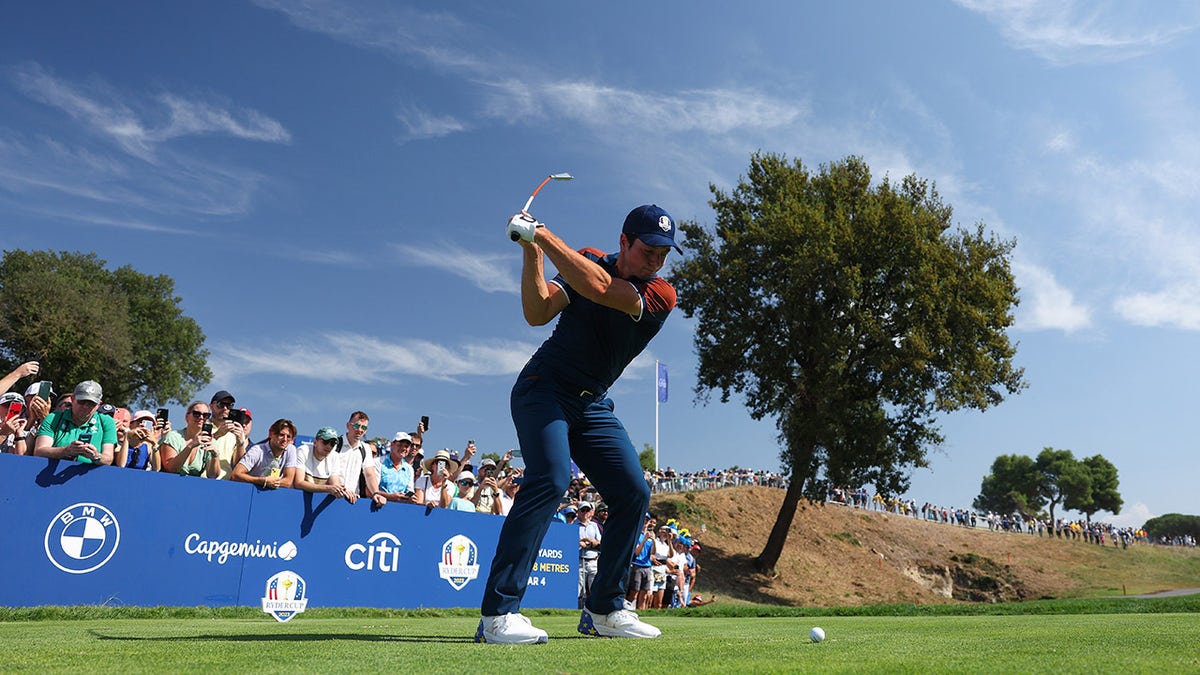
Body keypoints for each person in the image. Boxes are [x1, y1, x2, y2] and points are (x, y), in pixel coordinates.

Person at [476, 204, 679, 644]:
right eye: (648, 250)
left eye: (664, 253)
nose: (656, 260)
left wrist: (543, 235)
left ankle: (605, 609)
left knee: (632, 492)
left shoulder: (661, 293)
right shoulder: (588, 257)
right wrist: (531, 249)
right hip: (543, 388)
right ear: (624, 241)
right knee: (549, 479)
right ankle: (497, 615)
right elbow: (538, 311)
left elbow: (604, 288)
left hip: (592, 405)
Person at [32, 380, 116, 465]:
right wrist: (66, 450)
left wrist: (96, 456)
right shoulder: (54, 418)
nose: (85, 407)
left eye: (91, 403)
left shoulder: (106, 422)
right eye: (81, 401)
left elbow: (108, 459)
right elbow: (39, 451)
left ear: (99, 404)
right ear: (72, 399)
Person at [231, 418, 300, 489]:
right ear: (271, 434)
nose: (285, 440)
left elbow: (288, 482)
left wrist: (272, 482)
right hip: (249, 491)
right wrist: (262, 481)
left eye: (288, 437)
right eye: (281, 435)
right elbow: (236, 474)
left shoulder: (291, 449)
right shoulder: (257, 450)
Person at [294, 426, 357, 503]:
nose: (328, 446)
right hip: (296, 500)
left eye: (332, 443)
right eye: (325, 441)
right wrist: (328, 488)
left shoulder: (334, 456)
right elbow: (298, 483)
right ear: (315, 442)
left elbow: (335, 484)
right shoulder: (303, 450)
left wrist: (343, 491)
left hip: (316, 502)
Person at [334, 411, 385, 506]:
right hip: (331, 497)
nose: (360, 430)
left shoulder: (365, 448)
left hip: (352, 501)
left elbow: (370, 474)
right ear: (348, 425)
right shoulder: (335, 444)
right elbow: (328, 471)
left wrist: (376, 493)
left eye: (364, 427)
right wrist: (341, 489)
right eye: (357, 426)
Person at [158, 401, 220, 477]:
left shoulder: (211, 442)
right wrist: (191, 445)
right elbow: (171, 469)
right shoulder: (173, 436)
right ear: (187, 417)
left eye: (205, 415)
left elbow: (213, 476)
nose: (201, 417)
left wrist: (215, 455)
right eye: (196, 414)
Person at [207, 390, 250, 479]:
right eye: (221, 405)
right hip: (201, 478)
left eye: (229, 405)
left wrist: (240, 443)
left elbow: (238, 463)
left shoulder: (233, 431)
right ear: (211, 406)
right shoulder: (203, 424)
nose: (225, 409)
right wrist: (217, 435)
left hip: (226, 482)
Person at [374, 432, 420, 505]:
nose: (403, 448)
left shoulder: (409, 469)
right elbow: (371, 490)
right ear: (392, 445)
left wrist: (410, 498)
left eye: (406, 446)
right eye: (400, 445)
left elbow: (409, 491)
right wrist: (390, 497)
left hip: (399, 510)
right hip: (378, 507)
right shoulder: (378, 462)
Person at [577, 502, 602, 609]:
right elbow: (572, 542)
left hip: (593, 560)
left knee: (594, 589)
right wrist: (581, 543)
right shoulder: (574, 525)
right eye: (583, 510)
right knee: (578, 589)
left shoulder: (594, 526)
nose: (585, 513)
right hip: (579, 560)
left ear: (591, 512)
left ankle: (594, 611)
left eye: (587, 510)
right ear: (578, 512)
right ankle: (575, 610)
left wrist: (588, 543)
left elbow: (599, 542)